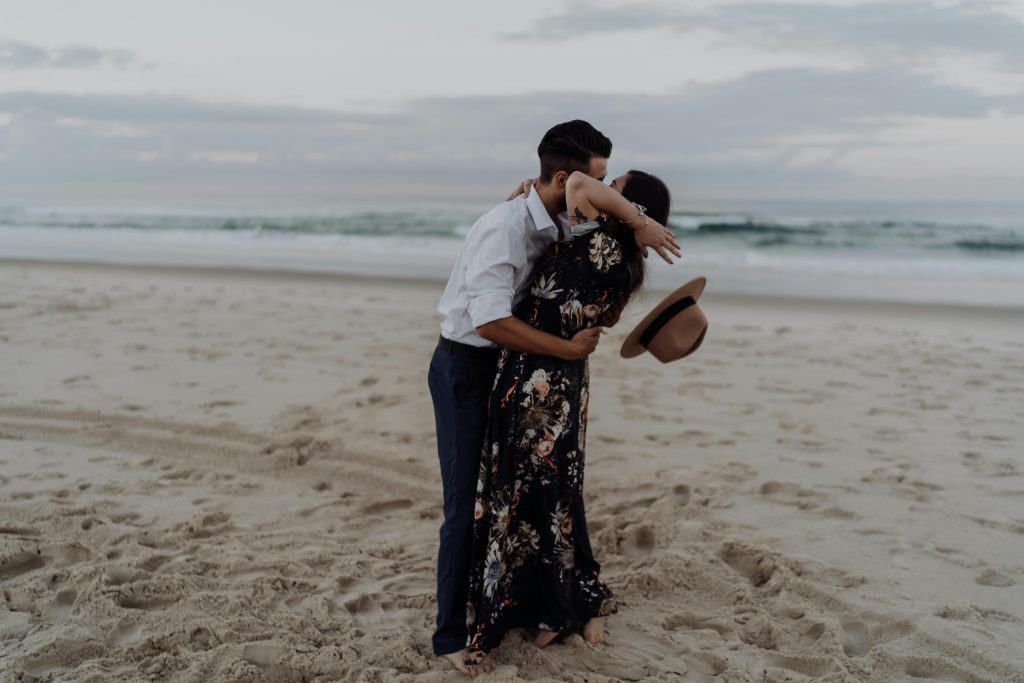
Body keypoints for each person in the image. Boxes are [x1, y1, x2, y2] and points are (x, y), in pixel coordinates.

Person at [427, 120, 680, 677]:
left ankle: (528, 603)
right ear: (566, 178)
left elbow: (569, 245)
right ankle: (450, 634)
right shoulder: (512, 226)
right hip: (470, 367)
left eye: (614, 182)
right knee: (467, 503)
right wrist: (639, 222)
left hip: (521, 368)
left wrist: (621, 220)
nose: (603, 189)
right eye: (599, 180)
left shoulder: (569, 224)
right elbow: (490, 320)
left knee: (520, 490)